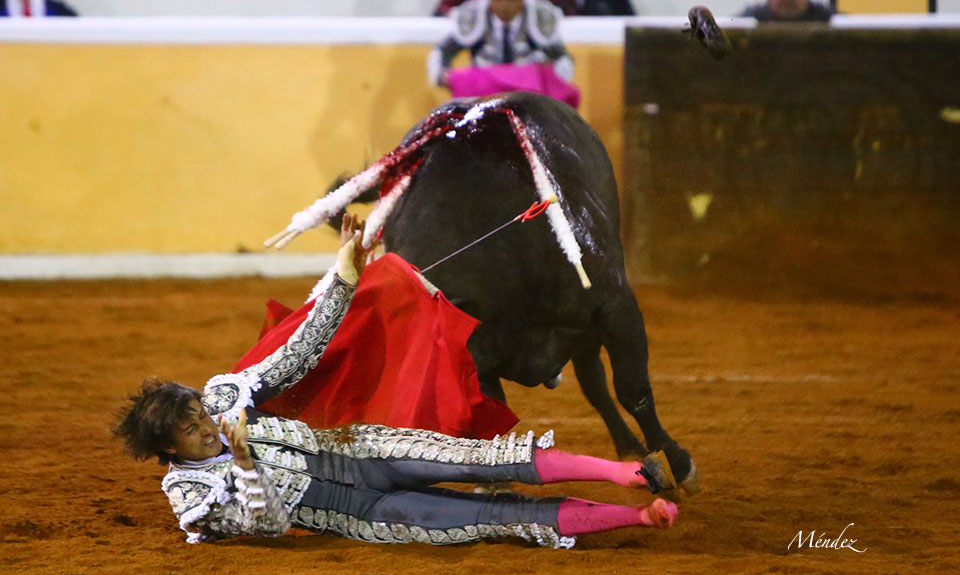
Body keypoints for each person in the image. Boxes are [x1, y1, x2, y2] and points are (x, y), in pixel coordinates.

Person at [114, 215, 679, 547]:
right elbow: (267, 524)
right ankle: (638, 515)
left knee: (484, 460)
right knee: (494, 519)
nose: (206, 426)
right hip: (353, 515)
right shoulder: (188, 498)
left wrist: (343, 273)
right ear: (168, 449)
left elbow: (301, 350)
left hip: (363, 450)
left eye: (197, 413)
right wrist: (240, 463)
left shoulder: (223, 396)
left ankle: (625, 472)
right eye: (191, 430)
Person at [427, 0, 573, 89]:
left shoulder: (537, 17)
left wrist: (552, 79)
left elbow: (562, 57)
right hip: (484, 94)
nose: (504, 4)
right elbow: (443, 51)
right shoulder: (475, 16)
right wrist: (441, 75)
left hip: (527, 96)